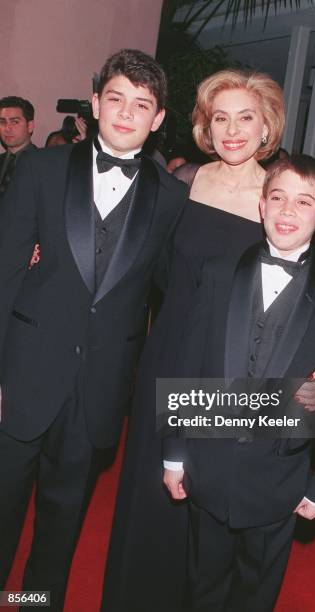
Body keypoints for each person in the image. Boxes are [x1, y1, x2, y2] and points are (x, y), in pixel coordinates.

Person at [102, 70, 315, 612]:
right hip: (168, 353)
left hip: (233, 370)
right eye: (219, 117)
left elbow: (304, 288)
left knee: (211, 499)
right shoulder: (180, 182)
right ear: (205, 125)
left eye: (245, 117)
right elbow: (136, 263)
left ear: (267, 125)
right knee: (150, 497)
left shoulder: (281, 197)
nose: (231, 130)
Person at [0, 48, 187, 611]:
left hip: (100, 390)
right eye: (116, 99)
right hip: (24, 376)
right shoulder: (40, 168)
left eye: (142, 105)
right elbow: (4, 272)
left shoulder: (172, 197)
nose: (126, 113)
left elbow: (177, 292)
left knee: (61, 522)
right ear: (96, 103)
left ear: (157, 119)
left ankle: (35, 603)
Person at [164, 154, 315, 612]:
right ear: (261, 206)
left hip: (280, 479)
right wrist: (174, 453)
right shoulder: (216, 274)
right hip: (207, 465)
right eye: (278, 198)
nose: (288, 211)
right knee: (202, 587)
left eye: (303, 201)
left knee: (256, 593)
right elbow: (187, 366)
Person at [0, 96, 36, 196]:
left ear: (30, 126)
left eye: (14, 122)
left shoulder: (45, 163)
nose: (7, 128)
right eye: (2, 122)